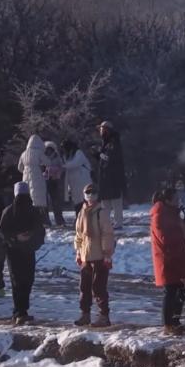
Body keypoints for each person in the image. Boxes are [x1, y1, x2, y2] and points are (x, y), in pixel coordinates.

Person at [150, 188, 185, 335]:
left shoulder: (173, 213)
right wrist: (180, 230)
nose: (178, 201)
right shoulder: (159, 215)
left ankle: (176, 322)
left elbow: (184, 235)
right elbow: (165, 238)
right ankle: (168, 324)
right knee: (170, 291)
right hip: (168, 258)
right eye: (176, 199)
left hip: (179, 257)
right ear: (167, 200)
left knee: (183, 289)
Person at [0, 182, 46, 325]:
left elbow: (2, 232)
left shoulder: (9, 211)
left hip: (14, 251)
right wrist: (30, 238)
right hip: (28, 250)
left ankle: (19, 311)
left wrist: (15, 238)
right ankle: (21, 311)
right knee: (27, 280)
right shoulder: (33, 211)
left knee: (17, 281)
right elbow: (40, 231)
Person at [74, 183, 115, 327]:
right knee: (84, 287)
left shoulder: (101, 212)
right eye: (88, 193)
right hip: (86, 256)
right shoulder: (82, 212)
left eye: (93, 193)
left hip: (99, 256)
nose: (90, 196)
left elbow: (107, 234)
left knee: (99, 287)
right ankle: (85, 314)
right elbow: (79, 234)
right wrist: (78, 251)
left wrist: (107, 253)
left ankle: (104, 315)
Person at [96, 121, 126, 229]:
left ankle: (118, 223)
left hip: (113, 176)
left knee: (116, 201)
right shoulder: (106, 142)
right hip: (105, 177)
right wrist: (98, 155)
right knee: (105, 202)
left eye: (102, 129)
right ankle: (106, 222)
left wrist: (100, 154)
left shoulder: (114, 142)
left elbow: (110, 158)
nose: (101, 131)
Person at [17, 134, 51, 225]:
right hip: (36, 175)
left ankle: (30, 220)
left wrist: (25, 171)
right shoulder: (38, 152)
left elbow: (19, 168)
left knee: (28, 196)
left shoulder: (24, 153)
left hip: (25, 176)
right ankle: (42, 220)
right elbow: (48, 162)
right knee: (38, 197)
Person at [61, 139, 92, 223]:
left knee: (84, 200)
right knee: (77, 202)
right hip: (74, 183)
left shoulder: (78, 153)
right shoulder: (66, 156)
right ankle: (79, 218)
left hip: (83, 180)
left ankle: (86, 219)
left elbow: (75, 163)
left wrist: (63, 166)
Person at [44, 141, 66, 227]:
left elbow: (62, 167)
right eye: (47, 149)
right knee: (45, 201)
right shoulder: (43, 157)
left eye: (50, 149)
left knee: (56, 201)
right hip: (45, 180)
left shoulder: (57, 158)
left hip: (55, 180)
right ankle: (46, 220)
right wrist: (45, 172)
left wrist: (56, 172)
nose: (49, 151)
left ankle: (59, 220)